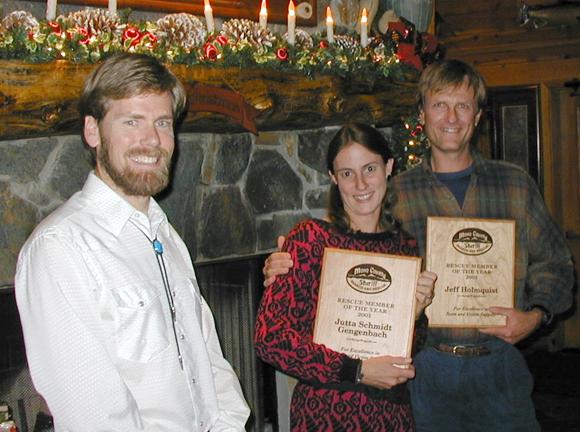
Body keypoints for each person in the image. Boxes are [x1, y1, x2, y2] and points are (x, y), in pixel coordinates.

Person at [263, 59, 574, 431]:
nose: (452, 117)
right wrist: (286, 263)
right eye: (440, 104)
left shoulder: (515, 184)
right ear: (422, 115)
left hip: (500, 367)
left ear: (477, 116)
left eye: (463, 105)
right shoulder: (394, 193)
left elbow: (556, 264)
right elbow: (350, 254)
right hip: (426, 372)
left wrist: (536, 316)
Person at [15, 53, 250, 432]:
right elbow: (92, 416)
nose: (152, 140)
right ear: (93, 131)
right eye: (131, 122)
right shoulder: (60, 249)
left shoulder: (165, 234)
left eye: (162, 122)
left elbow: (210, 365)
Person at [254, 123, 437, 431]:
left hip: (389, 416)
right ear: (333, 178)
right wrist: (357, 370)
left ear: (389, 167)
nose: (361, 184)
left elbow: (410, 348)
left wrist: (416, 316)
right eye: (347, 173)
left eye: (370, 168)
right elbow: (269, 338)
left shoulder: (404, 247)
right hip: (324, 415)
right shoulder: (310, 241)